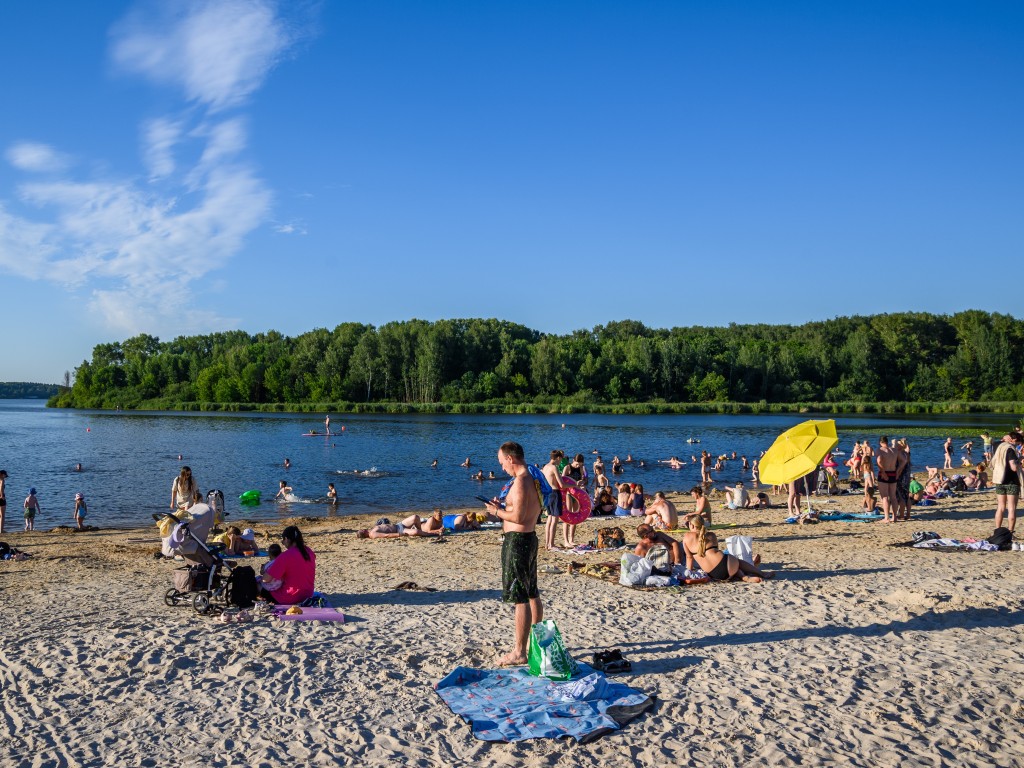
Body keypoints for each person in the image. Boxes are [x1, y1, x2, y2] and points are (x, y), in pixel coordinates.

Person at [484, 441, 543, 668]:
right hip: (529, 538)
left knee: (519, 597)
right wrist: (503, 506)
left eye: (502, 462)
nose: (502, 468)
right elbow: (529, 510)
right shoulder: (535, 478)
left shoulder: (519, 482)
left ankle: (520, 651)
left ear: (510, 458)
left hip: (517, 541)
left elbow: (517, 516)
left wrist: (496, 511)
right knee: (531, 592)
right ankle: (534, 643)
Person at [682, 516, 772, 582]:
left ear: (691, 525)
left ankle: (743, 577)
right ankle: (760, 574)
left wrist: (688, 574)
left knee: (728, 564)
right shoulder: (711, 535)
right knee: (737, 562)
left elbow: (689, 558)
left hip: (716, 575)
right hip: (730, 565)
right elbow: (716, 553)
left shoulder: (686, 537)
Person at [259, 525, 316, 604]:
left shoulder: (285, 556)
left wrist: (264, 570)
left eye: (283, 540)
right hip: (308, 594)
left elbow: (266, 579)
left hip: (289, 597)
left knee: (258, 584)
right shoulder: (309, 551)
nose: (283, 543)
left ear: (286, 539)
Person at [991, 431, 1023, 532]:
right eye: (1017, 444)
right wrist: (1019, 461)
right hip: (1011, 481)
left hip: (999, 480)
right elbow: (1013, 467)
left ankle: (997, 530)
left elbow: (995, 442)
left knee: (1000, 507)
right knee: (1012, 508)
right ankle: (1010, 531)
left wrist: (1004, 438)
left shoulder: (998, 446)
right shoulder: (1010, 449)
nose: (1017, 446)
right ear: (1013, 440)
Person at [876, 436, 907, 524]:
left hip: (884, 473)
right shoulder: (894, 450)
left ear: (880, 442)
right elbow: (904, 460)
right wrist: (898, 471)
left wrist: (883, 473)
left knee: (884, 496)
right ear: (887, 441)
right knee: (893, 496)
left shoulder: (880, 450)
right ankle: (894, 517)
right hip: (893, 473)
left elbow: (879, 461)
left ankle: (886, 518)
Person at [541, 450, 565, 550]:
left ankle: (547, 544)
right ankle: (551, 544)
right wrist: (574, 485)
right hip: (555, 493)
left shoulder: (545, 467)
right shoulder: (554, 467)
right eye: (561, 459)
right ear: (558, 457)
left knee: (549, 519)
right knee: (554, 519)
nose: (561, 461)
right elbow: (562, 484)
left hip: (547, 494)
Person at [357, 515, 443, 538]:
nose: (362, 529)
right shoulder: (372, 534)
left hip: (399, 525)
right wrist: (399, 535)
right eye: (361, 530)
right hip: (400, 531)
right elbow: (386, 536)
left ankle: (423, 532)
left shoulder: (372, 529)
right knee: (416, 532)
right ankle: (433, 534)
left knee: (415, 517)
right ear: (363, 533)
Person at [0, 469, 7, 534]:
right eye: (5, 475)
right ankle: (1, 530)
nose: (5, 477)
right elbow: (1, 487)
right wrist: (2, 496)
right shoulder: (2, 480)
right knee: (2, 515)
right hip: (1, 498)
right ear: (2, 475)